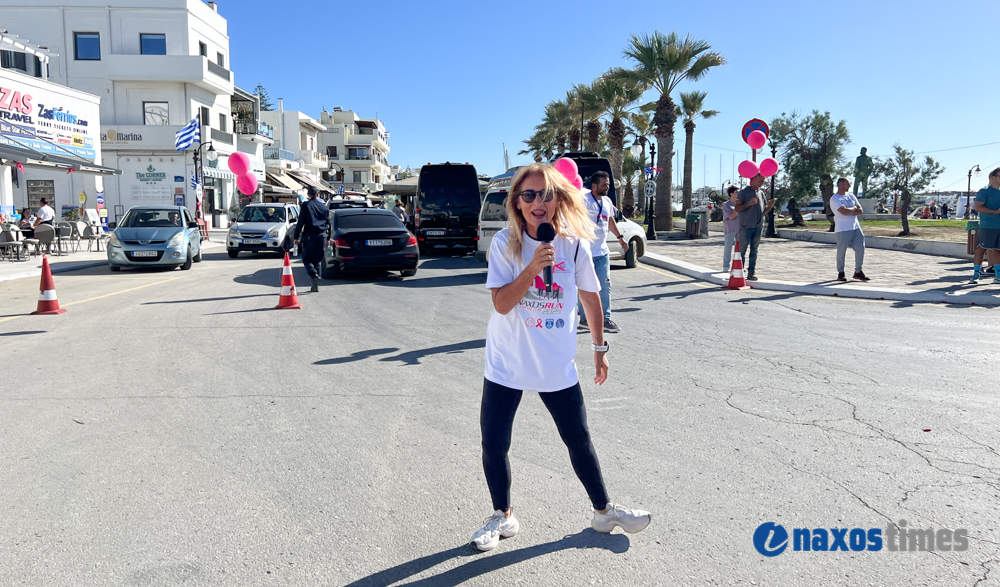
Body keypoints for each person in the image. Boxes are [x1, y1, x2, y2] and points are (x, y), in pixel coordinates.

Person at [471, 163, 651, 552]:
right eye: (530, 195)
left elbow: (590, 297)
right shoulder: (505, 243)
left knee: (579, 440)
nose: (539, 202)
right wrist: (533, 267)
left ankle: (604, 512)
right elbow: (502, 304)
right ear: (517, 202)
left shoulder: (573, 245)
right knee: (494, 443)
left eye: (547, 194)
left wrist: (599, 349)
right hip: (507, 364)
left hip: (555, 366)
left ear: (558, 200)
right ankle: (502, 515)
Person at [576, 171, 627, 333]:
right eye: (604, 185)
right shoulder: (583, 201)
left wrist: (620, 237)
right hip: (585, 252)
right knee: (585, 286)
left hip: (602, 252)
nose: (607, 187)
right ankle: (584, 318)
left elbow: (609, 219)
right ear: (594, 186)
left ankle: (605, 318)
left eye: (608, 185)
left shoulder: (607, 201)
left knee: (605, 286)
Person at [735, 174, 775, 280]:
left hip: (758, 226)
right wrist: (749, 203)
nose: (762, 182)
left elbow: (764, 210)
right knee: (742, 250)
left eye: (763, 181)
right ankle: (739, 272)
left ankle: (751, 272)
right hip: (745, 227)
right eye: (760, 180)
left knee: (754, 250)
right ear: (753, 179)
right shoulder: (743, 193)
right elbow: (737, 208)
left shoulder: (761, 193)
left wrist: (770, 206)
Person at [292, 186, 331, 292]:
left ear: (308, 195)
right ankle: (315, 285)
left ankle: (313, 274)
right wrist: (328, 238)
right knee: (318, 260)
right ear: (317, 195)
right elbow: (329, 223)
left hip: (310, 236)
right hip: (322, 235)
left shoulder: (306, 205)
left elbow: (300, 222)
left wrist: (296, 237)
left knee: (306, 258)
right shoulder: (324, 207)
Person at [831, 178, 869, 282]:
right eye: (848, 184)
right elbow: (843, 212)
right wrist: (853, 208)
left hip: (855, 227)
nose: (849, 186)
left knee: (860, 248)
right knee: (842, 251)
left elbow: (860, 210)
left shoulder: (851, 196)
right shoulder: (835, 199)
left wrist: (850, 210)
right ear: (841, 185)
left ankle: (858, 271)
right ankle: (840, 272)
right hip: (843, 229)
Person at [971, 168, 1000, 285]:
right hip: (987, 225)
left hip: (999, 226)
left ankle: (998, 276)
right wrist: (996, 212)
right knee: (981, 250)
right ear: (993, 177)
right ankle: (976, 274)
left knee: (998, 251)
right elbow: (978, 208)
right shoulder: (984, 191)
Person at [722, 186, 740, 272]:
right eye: (736, 192)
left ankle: (739, 265)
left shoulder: (740, 203)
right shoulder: (726, 205)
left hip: (740, 228)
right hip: (730, 229)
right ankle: (726, 266)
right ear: (731, 194)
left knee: (740, 248)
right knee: (728, 247)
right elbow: (731, 217)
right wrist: (737, 209)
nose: (738, 194)